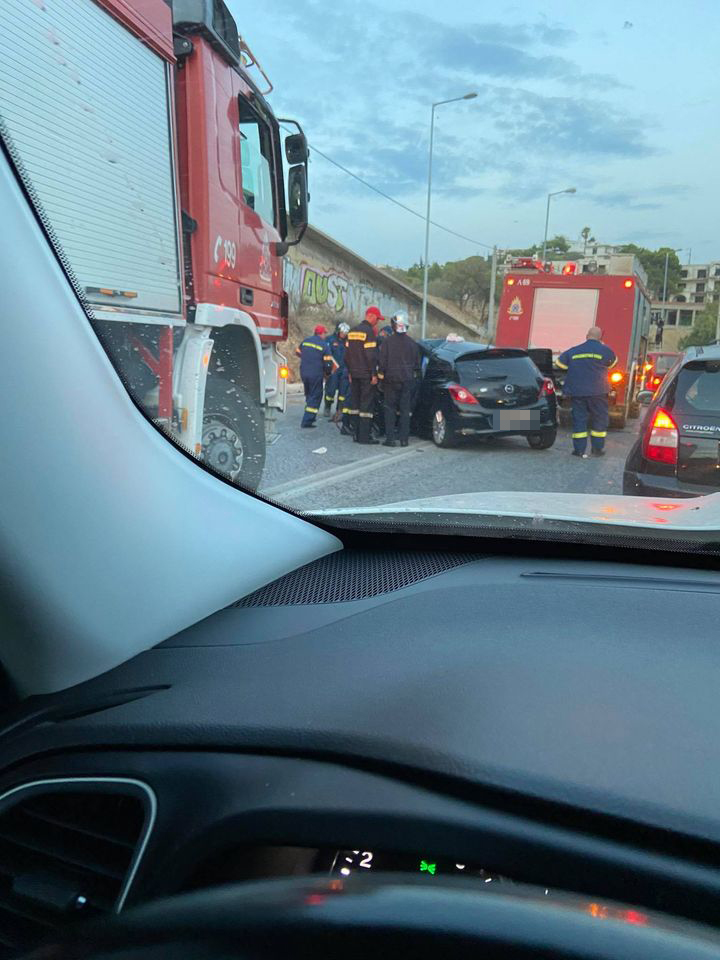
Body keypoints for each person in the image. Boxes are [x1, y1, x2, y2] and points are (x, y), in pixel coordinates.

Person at [556, 326, 617, 458]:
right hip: (598, 391)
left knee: (579, 420)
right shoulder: (605, 350)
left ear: (586, 336)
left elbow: (559, 363)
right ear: (600, 337)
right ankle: (597, 449)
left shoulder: (574, 350)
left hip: (578, 392)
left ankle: (579, 450)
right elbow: (612, 364)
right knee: (599, 419)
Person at [378, 312, 421, 447]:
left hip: (390, 381)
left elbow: (382, 363)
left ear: (394, 325)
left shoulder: (387, 342)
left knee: (390, 409)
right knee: (405, 411)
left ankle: (390, 439)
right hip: (407, 381)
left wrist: (380, 379)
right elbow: (417, 366)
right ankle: (404, 439)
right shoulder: (413, 344)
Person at [344, 305, 382, 444]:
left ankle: (355, 434)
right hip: (366, 374)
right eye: (377, 319)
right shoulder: (369, 332)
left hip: (354, 373)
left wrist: (349, 371)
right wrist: (374, 374)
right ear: (371, 316)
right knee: (366, 405)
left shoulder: (352, 331)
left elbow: (347, 355)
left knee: (355, 404)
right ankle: (364, 437)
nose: (377, 322)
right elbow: (370, 355)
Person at [295, 324, 333, 428]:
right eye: (324, 333)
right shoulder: (324, 345)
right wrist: (328, 373)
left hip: (304, 372)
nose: (325, 335)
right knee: (316, 395)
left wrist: (307, 357)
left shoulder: (306, 341)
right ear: (321, 333)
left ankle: (309, 414)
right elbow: (328, 362)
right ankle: (307, 420)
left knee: (309, 394)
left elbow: (297, 352)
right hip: (316, 374)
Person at [323, 322, 349, 418]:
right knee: (330, 390)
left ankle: (339, 410)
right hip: (334, 369)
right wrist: (326, 369)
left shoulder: (349, 341)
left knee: (343, 392)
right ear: (338, 331)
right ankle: (327, 407)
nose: (343, 335)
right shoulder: (330, 339)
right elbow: (326, 354)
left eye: (345, 333)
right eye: (342, 332)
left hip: (345, 370)